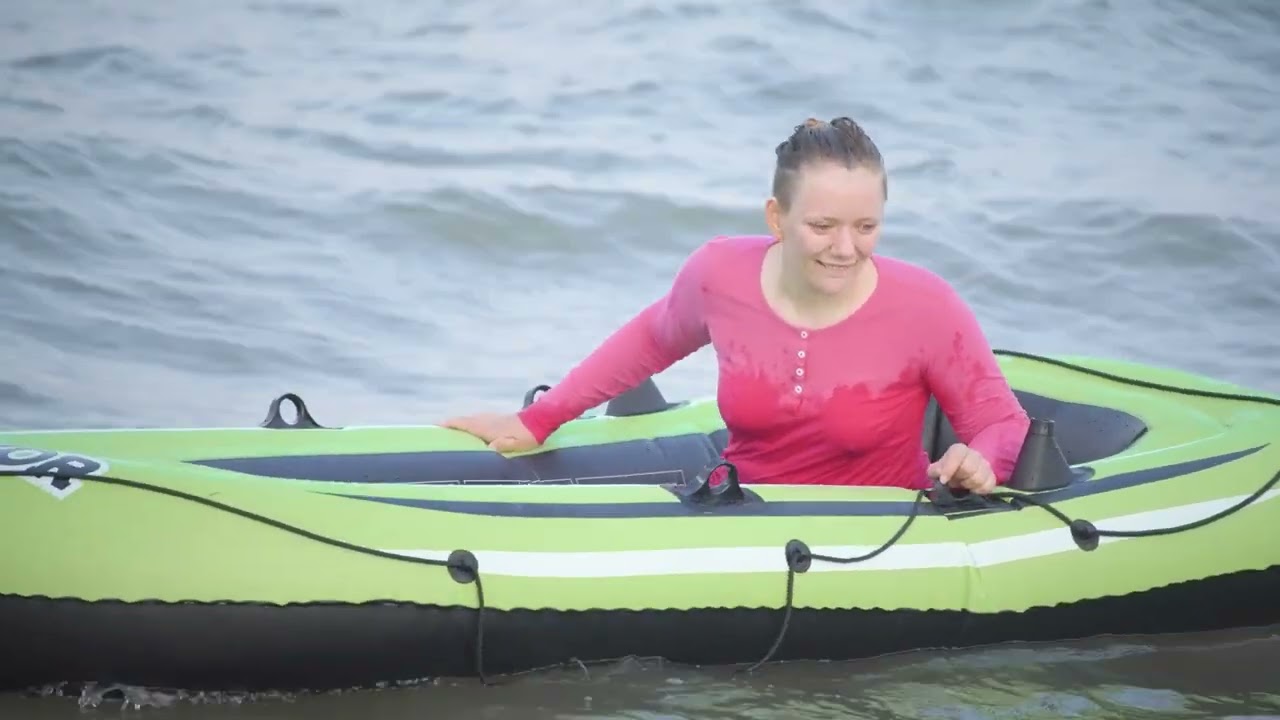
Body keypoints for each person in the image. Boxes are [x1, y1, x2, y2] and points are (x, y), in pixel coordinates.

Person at [442, 117, 1031, 494]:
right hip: (743, 517)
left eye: (866, 226)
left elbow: (1000, 421)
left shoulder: (925, 307)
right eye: (822, 225)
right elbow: (651, 339)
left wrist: (982, 462)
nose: (845, 248)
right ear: (776, 217)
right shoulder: (722, 274)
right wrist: (539, 419)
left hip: (876, 537)